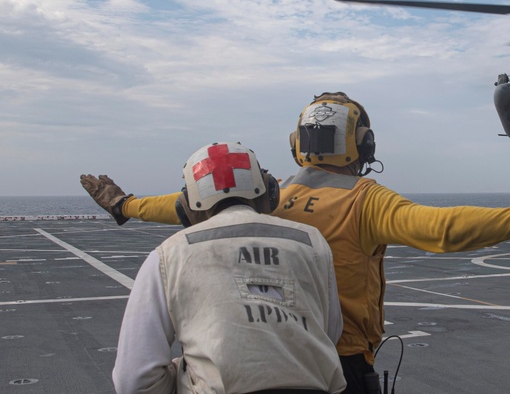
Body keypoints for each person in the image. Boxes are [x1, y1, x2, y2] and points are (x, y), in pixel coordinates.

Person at [83, 93, 510, 394]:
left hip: (261, 362)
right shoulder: (366, 201)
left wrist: (124, 205)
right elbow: (444, 229)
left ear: (296, 145)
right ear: (365, 144)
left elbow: (179, 209)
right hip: (340, 368)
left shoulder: (266, 198)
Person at [95, 142, 347, 394]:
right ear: (269, 191)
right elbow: (330, 333)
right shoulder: (312, 241)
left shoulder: (169, 254)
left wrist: (188, 370)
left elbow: (134, 381)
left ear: (187, 206)